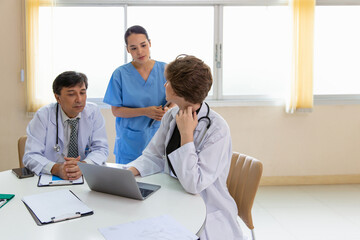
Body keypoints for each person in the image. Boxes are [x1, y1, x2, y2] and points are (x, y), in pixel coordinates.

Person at [128, 55, 245, 239]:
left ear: (180, 91)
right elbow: (154, 156)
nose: (164, 85)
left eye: (168, 82)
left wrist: (187, 136)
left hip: (206, 211)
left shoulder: (217, 129)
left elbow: (194, 184)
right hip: (173, 199)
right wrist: (128, 172)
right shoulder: (171, 115)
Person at [104, 25, 171, 164]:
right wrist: (146, 111)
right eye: (133, 48)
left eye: (143, 45)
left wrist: (168, 110)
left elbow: (177, 97)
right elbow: (116, 111)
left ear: (150, 43)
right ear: (128, 49)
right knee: (127, 184)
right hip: (130, 145)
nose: (140, 51)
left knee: (160, 184)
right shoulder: (120, 74)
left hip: (159, 141)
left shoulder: (165, 69)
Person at [23, 71, 109, 180]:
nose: (79, 99)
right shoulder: (43, 116)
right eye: (71, 94)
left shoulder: (93, 112)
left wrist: (84, 165)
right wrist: (56, 168)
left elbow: (101, 149)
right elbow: (30, 155)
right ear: (57, 98)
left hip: (83, 177)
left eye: (82, 93)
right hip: (50, 179)